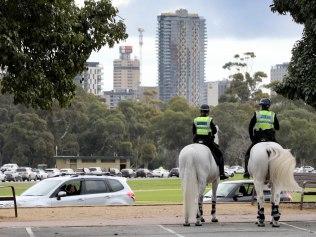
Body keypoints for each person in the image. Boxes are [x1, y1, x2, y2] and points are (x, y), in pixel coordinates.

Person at [243, 98, 280, 178]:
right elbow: (277, 127)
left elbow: (250, 127)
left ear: (261, 106)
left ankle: (246, 172)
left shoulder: (257, 114)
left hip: (258, 138)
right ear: (269, 106)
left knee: (247, 154)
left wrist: (252, 138)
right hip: (270, 138)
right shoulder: (272, 114)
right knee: (281, 153)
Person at [192, 104, 228, 180]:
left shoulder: (196, 120)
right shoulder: (209, 120)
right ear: (208, 112)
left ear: (200, 111)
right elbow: (214, 131)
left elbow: (193, 131)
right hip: (207, 142)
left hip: (197, 142)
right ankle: (222, 174)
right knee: (220, 155)